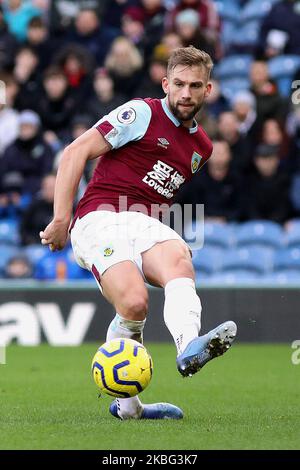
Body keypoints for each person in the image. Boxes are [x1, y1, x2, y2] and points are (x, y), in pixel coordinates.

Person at [40, 46, 237, 420]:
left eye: (195, 85)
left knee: (179, 256)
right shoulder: (142, 112)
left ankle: (186, 349)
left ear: (208, 90)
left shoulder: (202, 148)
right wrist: (61, 219)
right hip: (99, 218)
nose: (185, 93)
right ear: (165, 83)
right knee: (134, 305)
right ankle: (129, 405)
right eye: (178, 84)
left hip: (145, 222)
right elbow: (74, 153)